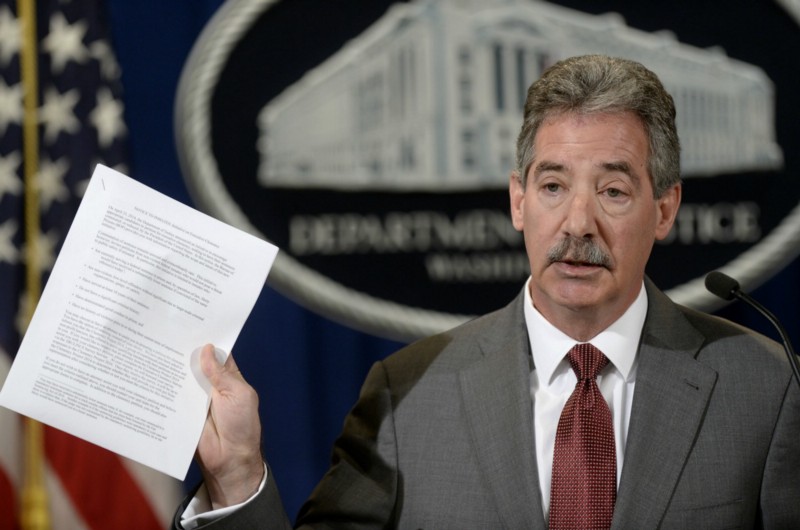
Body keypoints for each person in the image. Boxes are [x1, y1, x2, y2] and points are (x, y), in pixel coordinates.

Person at [175, 55, 800, 529]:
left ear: (664, 210)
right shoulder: (407, 394)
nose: (578, 223)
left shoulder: (764, 387)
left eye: (613, 190)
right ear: (518, 201)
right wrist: (237, 477)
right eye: (553, 186)